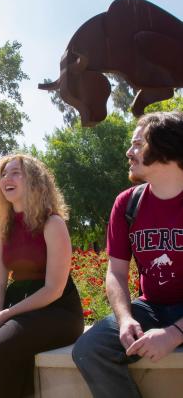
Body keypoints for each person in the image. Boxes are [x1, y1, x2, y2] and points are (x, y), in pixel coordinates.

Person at [0, 154, 84, 398]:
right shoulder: (0, 228)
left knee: (2, 347)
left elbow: (54, 289)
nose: (6, 178)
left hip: (57, 311)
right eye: (3, 174)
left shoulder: (52, 223)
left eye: (16, 173)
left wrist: (4, 317)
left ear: (34, 181)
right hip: (15, 304)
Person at [72, 111, 183, 398]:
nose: (128, 152)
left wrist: (175, 334)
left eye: (137, 144)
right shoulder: (127, 204)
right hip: (152, 308)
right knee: (90, 349)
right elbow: (116, 272)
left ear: (165, 148)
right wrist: (124, 319)